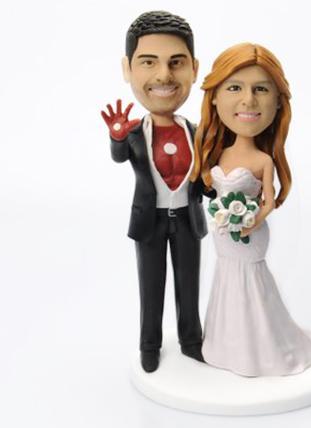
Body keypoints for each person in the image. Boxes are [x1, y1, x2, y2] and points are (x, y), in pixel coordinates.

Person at [191, 43, 311, 376]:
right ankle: (226, 346)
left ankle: (262, 349)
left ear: (278, 101)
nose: (248, 100)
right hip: (224, 234)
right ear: (214, 97)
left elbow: (268, 200)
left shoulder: (263, 160)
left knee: (250, 281)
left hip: (250, 233)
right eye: (235, 88)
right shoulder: (217, 153)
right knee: (226, 278)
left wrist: (254, 221)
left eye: (261, 89)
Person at [101, 11, 208, 373]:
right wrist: (117, 136)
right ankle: (150, 345)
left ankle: (192, 341)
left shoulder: (197, 132)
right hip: (150, 221)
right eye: (148, 62)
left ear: (194, 69)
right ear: (127, 69)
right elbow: (119, 157)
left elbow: (207, 173)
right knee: (151, 287)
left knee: (189, 284)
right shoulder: (135, 134)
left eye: (176, 62)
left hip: (188, 219)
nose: (164, 75)